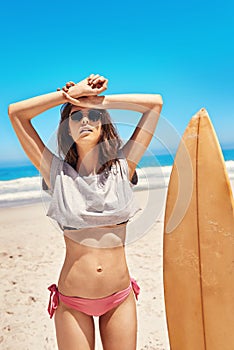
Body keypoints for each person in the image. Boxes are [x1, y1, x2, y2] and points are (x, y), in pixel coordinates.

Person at [8, 73, 163, 350]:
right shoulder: (56, 174)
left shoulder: (122, 168)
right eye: (77, 117)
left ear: (104, 125)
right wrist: (70, 95)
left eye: (94, 116)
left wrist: (96, 100)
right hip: (73, 302)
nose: (86, 121)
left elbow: (155, 104)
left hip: (119, 297)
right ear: (67, 129)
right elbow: (16, 114)